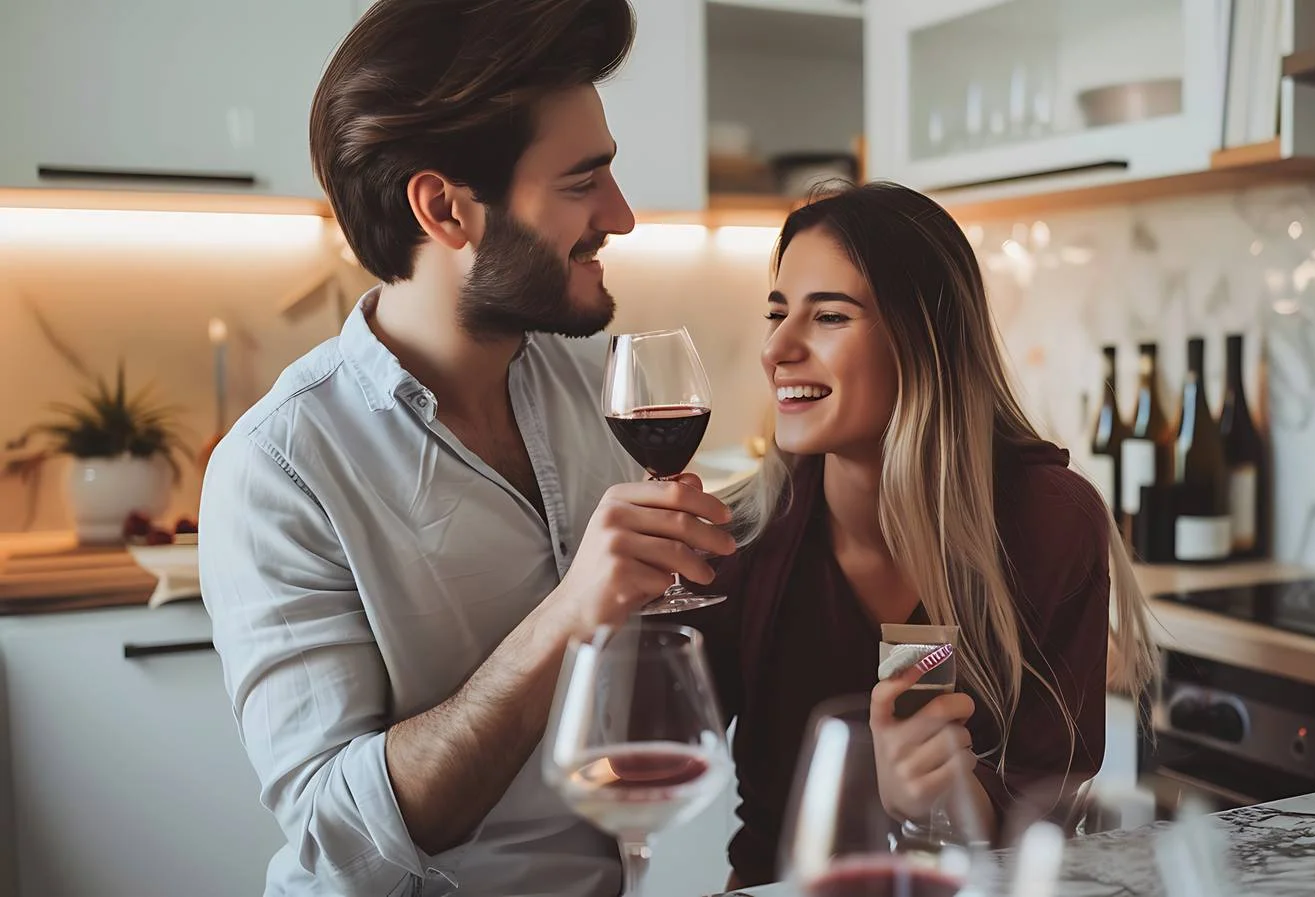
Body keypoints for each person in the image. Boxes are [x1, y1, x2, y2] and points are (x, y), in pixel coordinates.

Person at [197, 1, 736, 894]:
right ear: (445, 208)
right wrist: (568, 614)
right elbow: (342, 835)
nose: (622, 215)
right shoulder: (281, 466)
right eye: (582, 182)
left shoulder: (599, 384)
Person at [685, 182, 1160, 889]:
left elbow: (1045, 815)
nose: (776, 348)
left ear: (926, 340)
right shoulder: (737, 543)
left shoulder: (1052, 522)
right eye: (777, 314)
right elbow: (644, 754)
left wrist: (947, 803)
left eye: (829, 316)